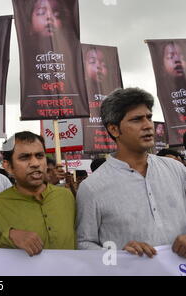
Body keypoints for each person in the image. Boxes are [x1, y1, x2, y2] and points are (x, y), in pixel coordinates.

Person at [76, 88, 186, 258]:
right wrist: (120, 255)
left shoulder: (176, 169)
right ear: (114, 129)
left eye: (149, 117)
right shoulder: (91, 187)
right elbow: (84, 243)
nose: (148, 125)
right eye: (136, 120)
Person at [0, 131, 76, 256]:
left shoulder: (66, 197)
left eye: (40, 156)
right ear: (8, 166)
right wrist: (9, 237)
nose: (35, 163)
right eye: (25, 157)